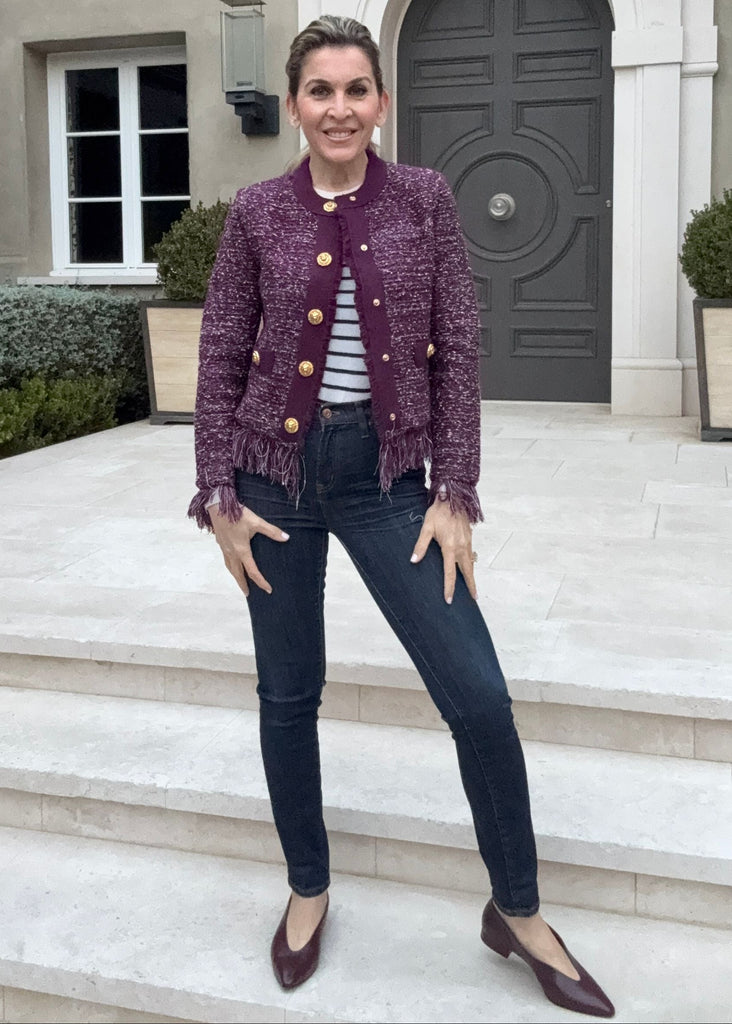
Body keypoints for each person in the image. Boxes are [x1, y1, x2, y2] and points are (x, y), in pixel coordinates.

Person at [188, 14, 614, 1019]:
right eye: (320, 90)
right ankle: (308, 886)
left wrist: (455, 492)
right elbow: (218, 354)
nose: (339, 108)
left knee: (477, 693)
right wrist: (219, 496)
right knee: (288, 695)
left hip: (388, 480)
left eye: (356, 89)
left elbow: (459, 353)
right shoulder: (256, 211)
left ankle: (516, 910)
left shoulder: (424, 199)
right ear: (295, 104)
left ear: (381, 102)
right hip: (273, 479)